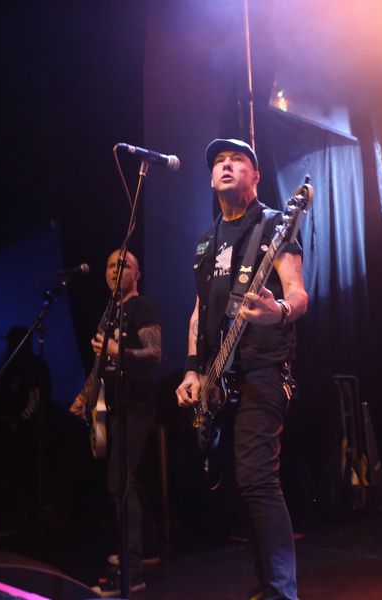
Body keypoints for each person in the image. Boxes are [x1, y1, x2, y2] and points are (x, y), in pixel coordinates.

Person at [176, 139, 309, 600]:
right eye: (218, 162)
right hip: (220, 378)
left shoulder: (274, 225)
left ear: (255, 176)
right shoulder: (205, 242)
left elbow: (298, 293)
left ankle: (281, 592)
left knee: (257, 477)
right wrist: (192, 371)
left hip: (263, 369)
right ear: (211, 178)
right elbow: (199, 313)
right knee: (242, 483)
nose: (226, 166)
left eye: (238, 160)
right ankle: (267, 583)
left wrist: (280, 312)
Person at [70, 249, 162, 597]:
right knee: (129, 480)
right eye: (110, 265)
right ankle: (146, 549)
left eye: (123, 265)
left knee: (120, 481)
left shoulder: (141, 307)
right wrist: (85, 396)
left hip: (136, 403)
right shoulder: (109, 313)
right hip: (113, 405)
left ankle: (132, 571)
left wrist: (116, 351)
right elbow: (100, 362)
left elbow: (154, 354)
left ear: (137, 274)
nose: (114, 270)